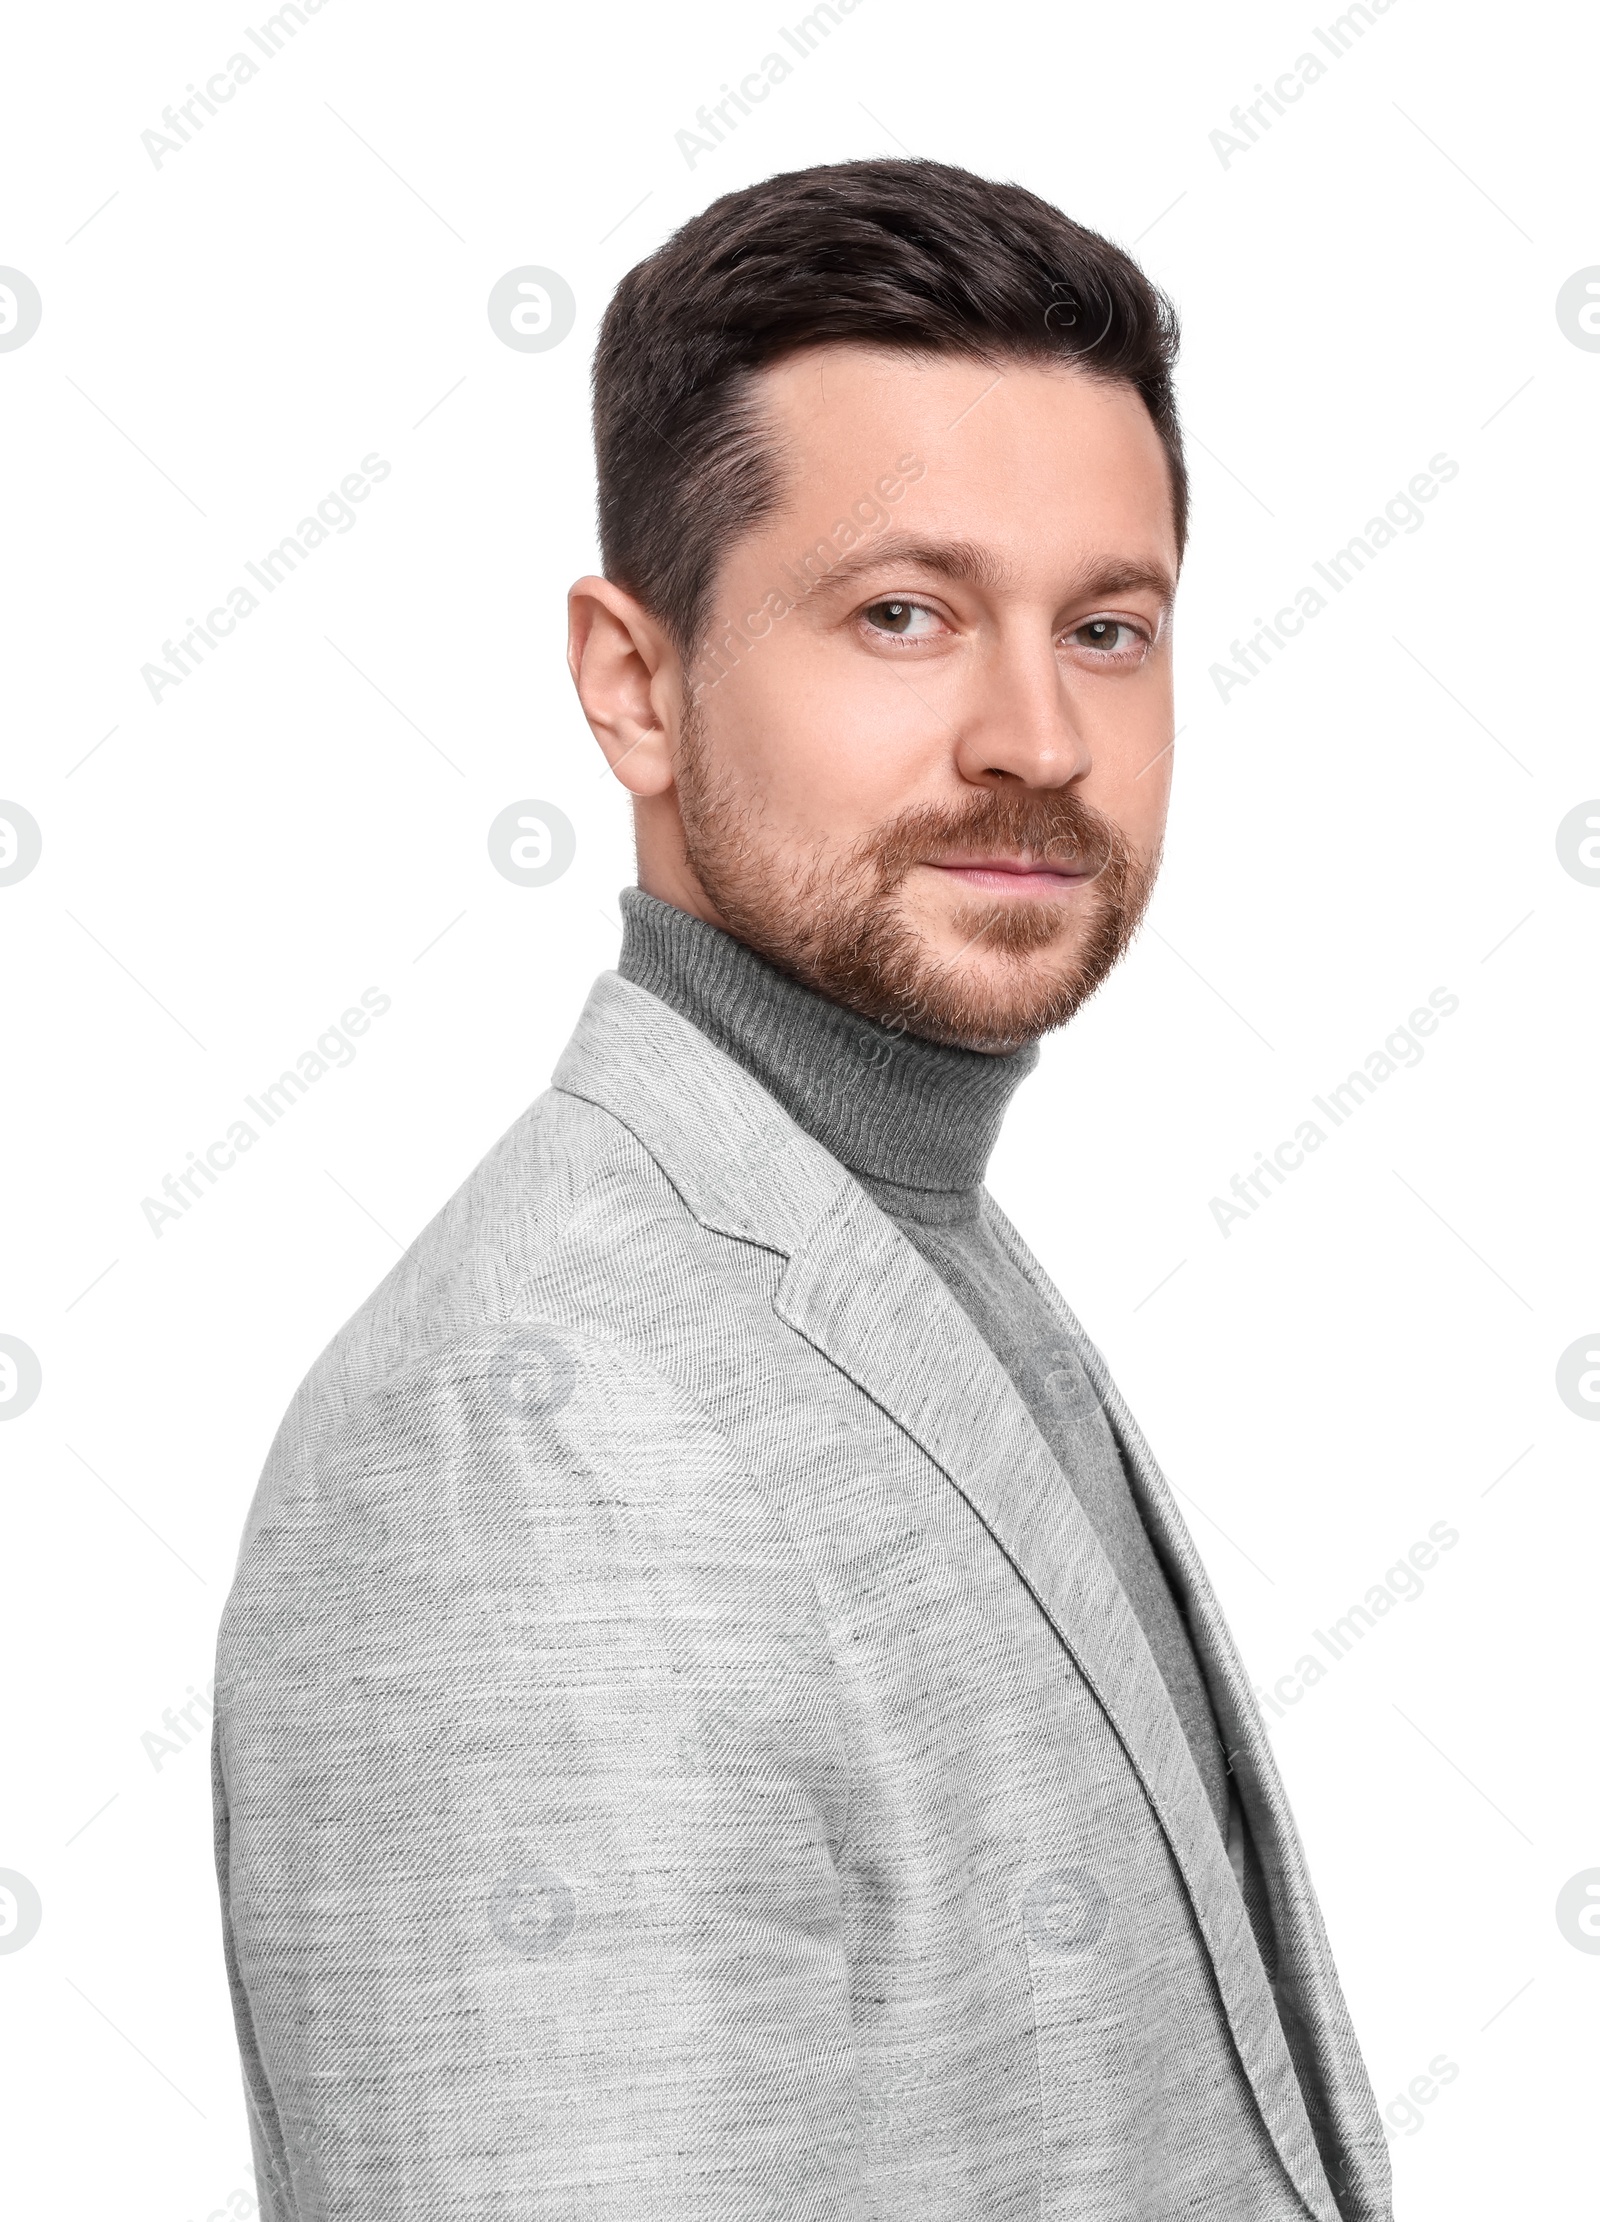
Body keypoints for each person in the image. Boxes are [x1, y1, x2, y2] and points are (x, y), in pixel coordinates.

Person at [213, 157, 1391, 2221]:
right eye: (903, 614)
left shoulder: (890, 1229)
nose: (1034, 734)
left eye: (1103, 626)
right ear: (632, 684)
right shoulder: (523, 1430)